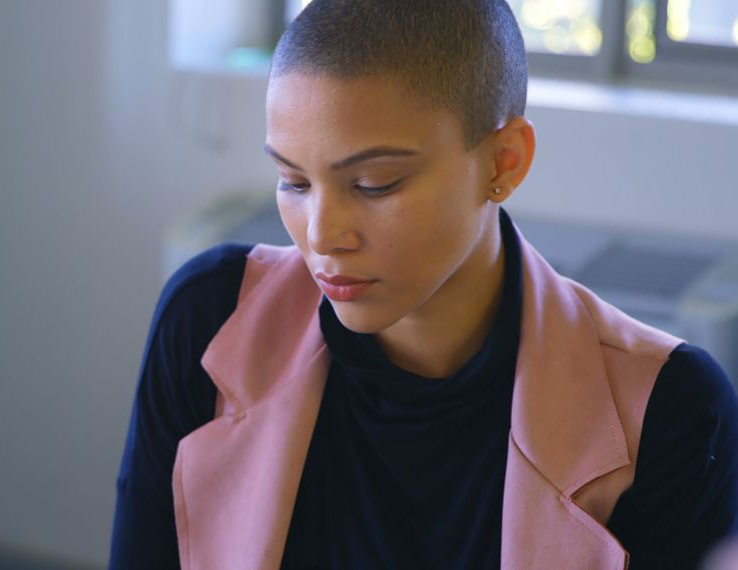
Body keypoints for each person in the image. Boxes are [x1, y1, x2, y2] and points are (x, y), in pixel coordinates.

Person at [109, 0, 738, 568]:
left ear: (503, 162)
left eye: (375, 183)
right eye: (294, 182)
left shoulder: (671, 410)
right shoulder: (209, 316)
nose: (323, 235)